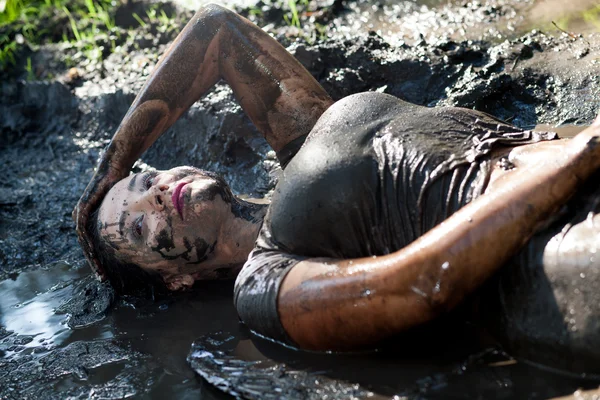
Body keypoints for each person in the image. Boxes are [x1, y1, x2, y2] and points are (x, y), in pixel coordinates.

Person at [73, 4, 600, 359]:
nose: (156, 194)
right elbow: (420, 287)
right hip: (556, 254)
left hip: (570, 161)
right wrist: (575, 159)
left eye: (144, 180)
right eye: (140, 227)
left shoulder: (308, 146)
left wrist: (108, 172)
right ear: (175, 280)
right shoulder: (263, 287)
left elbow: (216, 28)